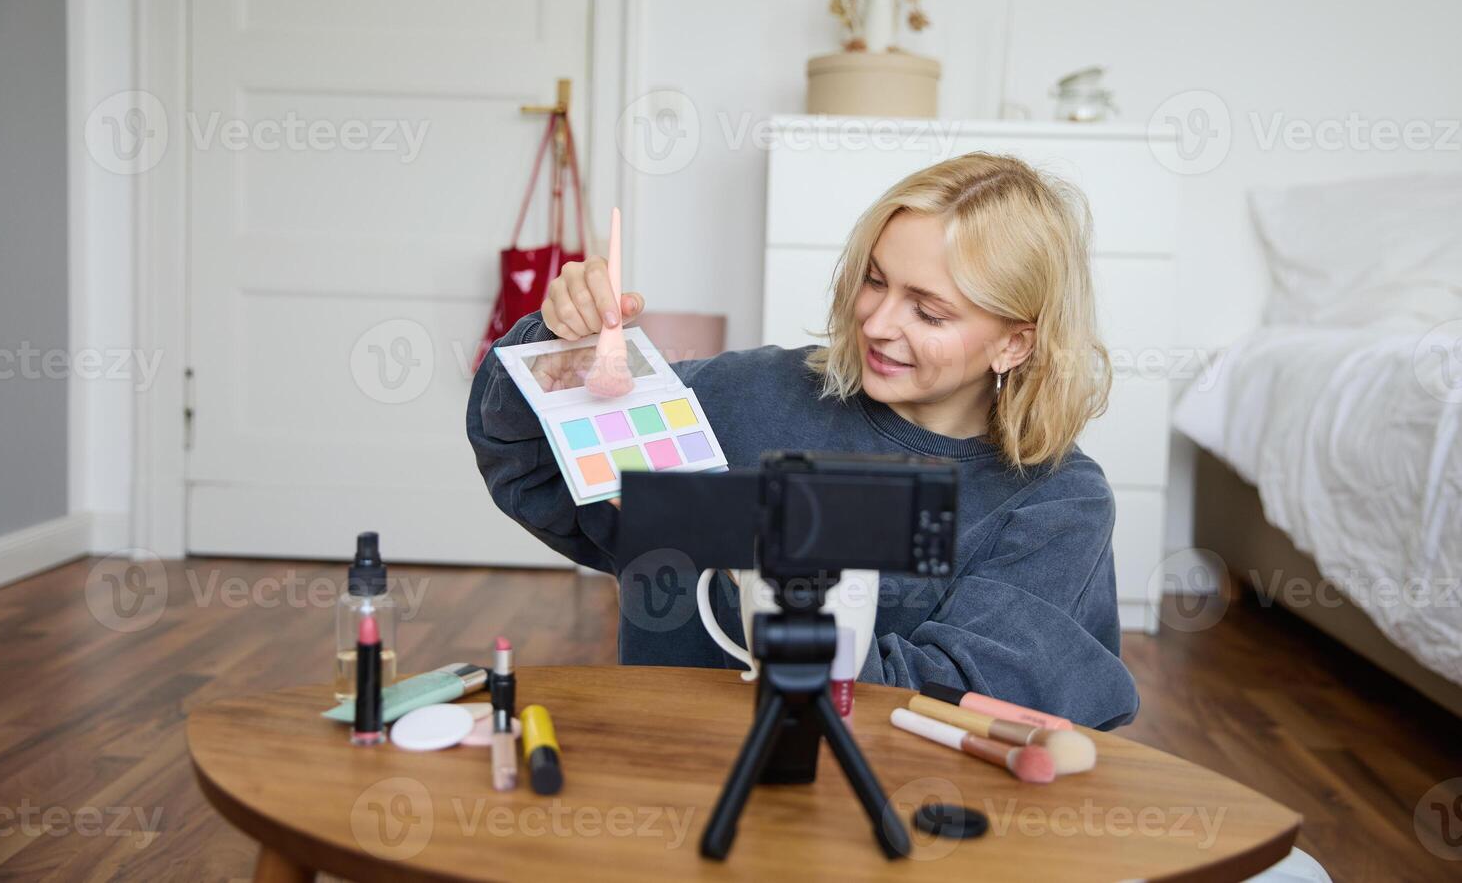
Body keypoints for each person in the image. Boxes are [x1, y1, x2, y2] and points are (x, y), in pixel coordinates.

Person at [468, 153, 1140, 730]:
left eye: (928, 310)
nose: (876, 321)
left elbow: (949, 707)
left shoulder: (1057, 504)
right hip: (666, 770)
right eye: (874, 280)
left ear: (1014, 342)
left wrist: (738, 551)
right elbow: (531, 474)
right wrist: (559, 348)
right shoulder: (749, 395)